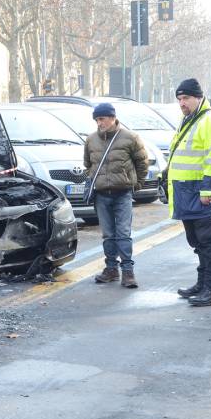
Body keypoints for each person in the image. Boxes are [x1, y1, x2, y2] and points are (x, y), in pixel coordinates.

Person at [168, 79, 211, 306]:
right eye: (179, 99)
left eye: (185, 98)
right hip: (188, 192)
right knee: (197, 242)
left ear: (198, 97)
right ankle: (203, 283)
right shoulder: (190, 119)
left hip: (203, 193)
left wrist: (210, 191)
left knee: (208, 243)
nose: (181, 103)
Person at [84, 103, 149, 288]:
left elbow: (142, 163)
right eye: (97, 120)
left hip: (123, 194)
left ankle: (128, 272)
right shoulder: (91, 140)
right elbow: (88, 165)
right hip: (101, 195)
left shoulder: (130, 138)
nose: (99, 123)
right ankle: (111, 269)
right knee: (108, 235)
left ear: (112, 118)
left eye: (102, 119)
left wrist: (136, 184)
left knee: (123, 234)